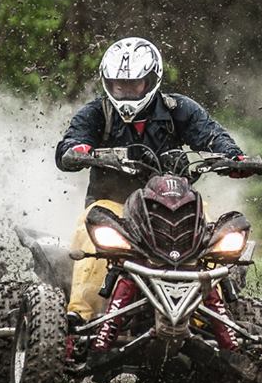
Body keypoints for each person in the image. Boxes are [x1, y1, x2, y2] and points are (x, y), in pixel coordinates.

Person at [55, 37, 249, 326]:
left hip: (176, 207)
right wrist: (77, 150)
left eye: (134, 85)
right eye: (119, 85)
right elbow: (72, 141)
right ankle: (81, 316)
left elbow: (211, 134)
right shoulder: (98, 112)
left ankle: (213, 319)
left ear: (151, 80)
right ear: (108, 83)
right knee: (89, 227)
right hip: (115, 210)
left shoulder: (178, 109)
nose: (126, 92)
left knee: (213, 233)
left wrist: (234, 157)